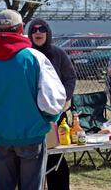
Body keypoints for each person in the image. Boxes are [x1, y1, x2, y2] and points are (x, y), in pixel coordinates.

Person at [0, 9, 66, 190]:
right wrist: (49, 118)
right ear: (21, 28)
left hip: (0, 137)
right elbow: (52, 100)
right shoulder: (34, 58)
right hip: (31, 135)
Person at [28, 18, 77, 190]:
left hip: (56, 114)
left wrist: (63, 100)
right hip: (32, 116)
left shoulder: (58, 54)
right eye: (34, 30)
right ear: (29, 34)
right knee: (33, 158)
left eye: (42, 29)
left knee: (55, 158)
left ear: (48, 33)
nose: (38, 33)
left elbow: (70, 78)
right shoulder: (26, 55)